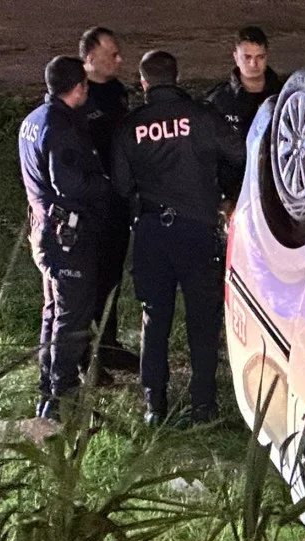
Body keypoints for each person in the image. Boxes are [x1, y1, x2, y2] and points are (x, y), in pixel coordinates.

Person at [111, 50, 246, 425]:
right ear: (177, 76)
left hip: (152, 233)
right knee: (202, 319)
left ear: (143, 83)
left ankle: (154, 406)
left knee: (155, 319)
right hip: (197, 231)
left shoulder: (130, 125)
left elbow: (121, 184)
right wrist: (221, 190)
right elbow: (239, 152)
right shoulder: (201, 117)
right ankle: (204, 404)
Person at [17, 56, 110, 420]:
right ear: (78, 88)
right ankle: (62, 399)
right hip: (66, 236)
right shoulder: (62, 128)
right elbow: (69, 183)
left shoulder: (33, 120)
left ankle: (47, 390)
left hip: (42, 231)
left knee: (53, 312)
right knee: (71, 319)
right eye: (86, 85)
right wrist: (105, 185)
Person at [79, 26, 140, 374]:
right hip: (90, 206)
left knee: (112, 276)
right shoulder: (77, 96)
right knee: (89, 279)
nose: (120, 60)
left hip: (118, 200)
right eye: (111, 54)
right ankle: (84, 355)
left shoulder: (116, 91)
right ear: (90, 58)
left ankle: (108, 344)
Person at [205, 26, 281, 139]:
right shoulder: (219, 101)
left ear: (267, 56)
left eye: (260, 57)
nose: (253, 64)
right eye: (247, 57)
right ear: (236, 57)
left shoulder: (284, 96)